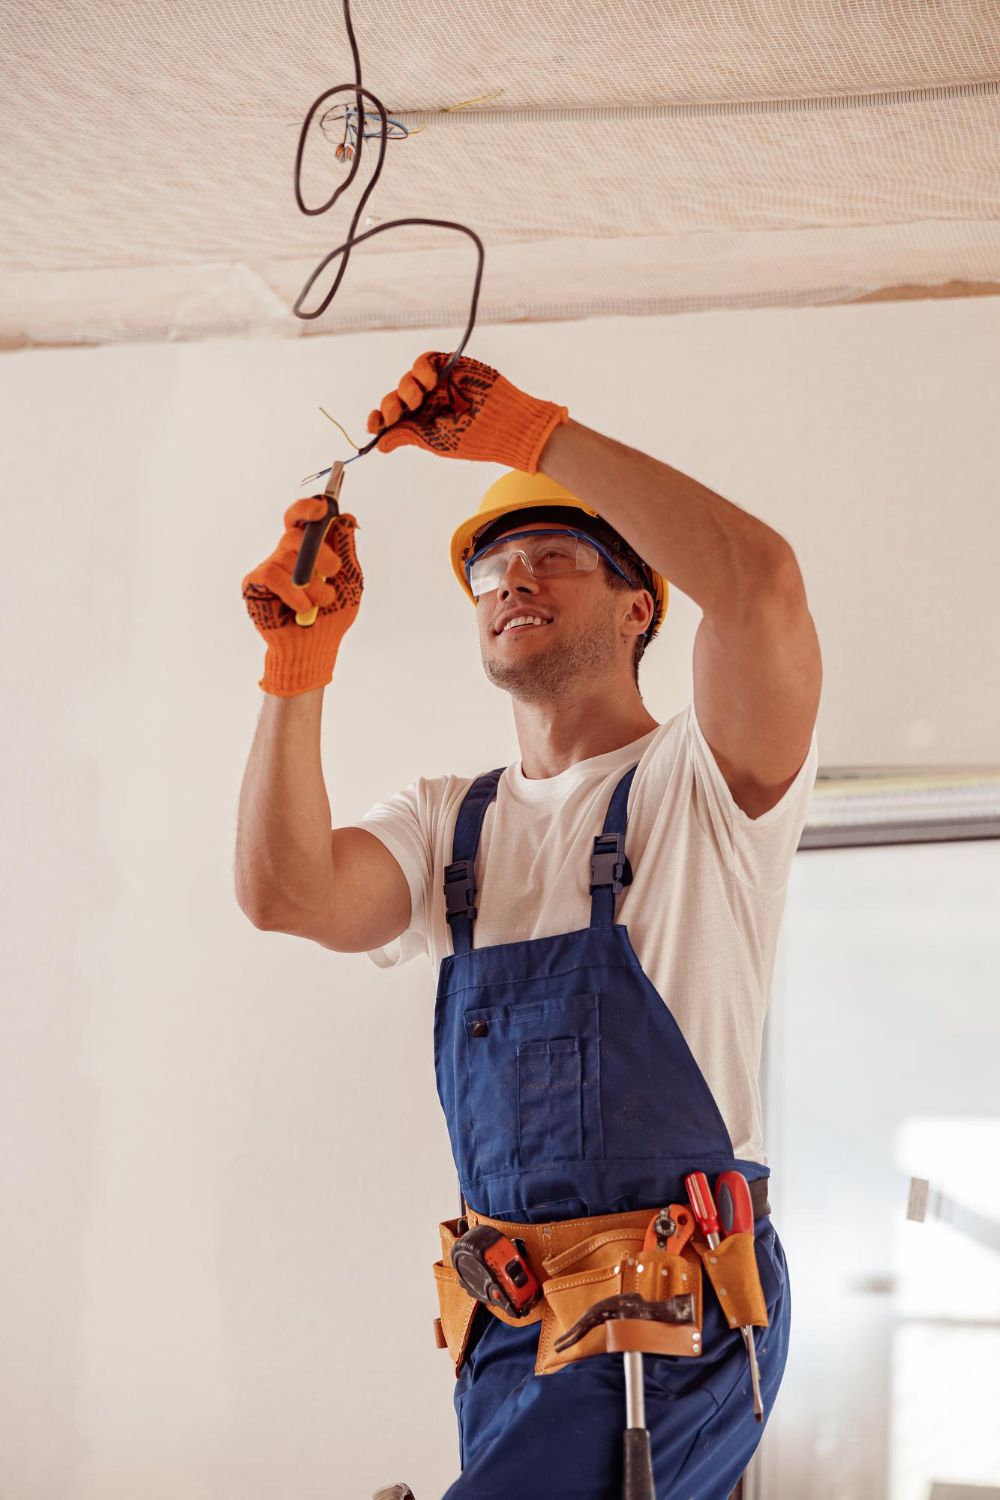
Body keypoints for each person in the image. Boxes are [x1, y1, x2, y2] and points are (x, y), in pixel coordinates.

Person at [235, 351, 822, 1500]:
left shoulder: (706, 785)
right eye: (492, 567)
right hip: (506, 1330)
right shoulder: (448, 824)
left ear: (640, 603)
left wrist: (528, 434)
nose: (512, 578)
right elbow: (286, 893)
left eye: (554, 555)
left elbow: (760, 587)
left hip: (667, 1321)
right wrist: (295, 666)